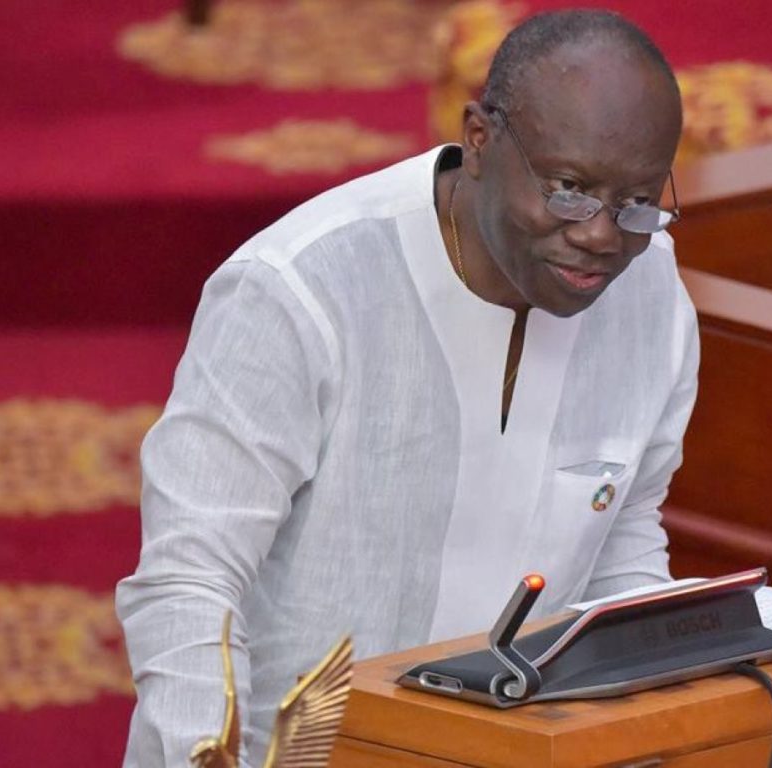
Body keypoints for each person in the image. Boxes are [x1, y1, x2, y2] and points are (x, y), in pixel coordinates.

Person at [116, 9, 698, 766]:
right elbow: (189, 579)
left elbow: (621, 536)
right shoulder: (297, 292)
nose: (601, 234)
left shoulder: (649, 294)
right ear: (481, 141)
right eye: (568, 189)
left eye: (638, 201)